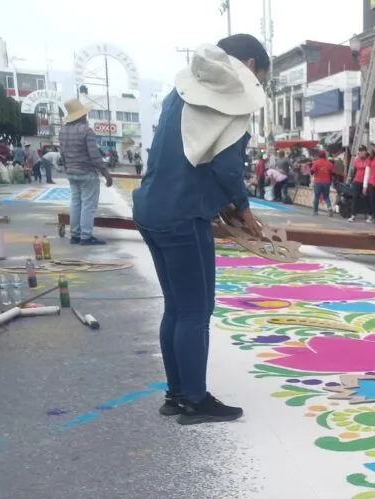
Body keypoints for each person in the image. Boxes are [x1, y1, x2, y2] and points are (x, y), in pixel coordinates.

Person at [132, 34, 268, 424]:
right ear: (250, 66)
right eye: (260, 76)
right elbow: (226, 168)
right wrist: (244, 210)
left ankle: (176, 394)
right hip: (181, 216)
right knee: (196, 311)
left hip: (152, 209)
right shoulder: (231, 102)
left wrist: (223, 204)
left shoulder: (182, 92)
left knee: (176, 307)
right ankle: (194, 399)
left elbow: (190, 158)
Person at [60, 98, 114, 245]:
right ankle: (86, 236)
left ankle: (75, 235)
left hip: (71, 173)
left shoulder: (63, 131)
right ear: (82, 115)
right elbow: (94, 156)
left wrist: (68, 169)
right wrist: (106, 173)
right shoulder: (86, 131)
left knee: (76, 203)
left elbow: (63, 154)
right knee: (88, 205)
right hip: (87, 173)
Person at [311, 149, 334, 215]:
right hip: (327, 182)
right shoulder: (330, 163)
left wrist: (311, 169)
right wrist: (330, 182)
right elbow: (331, 174)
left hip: (318, 182)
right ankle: (329, 208)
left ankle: (315, 211)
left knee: (316, 197)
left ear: (319, 155)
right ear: (325, 155)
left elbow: (312, 172)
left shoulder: (316, 162)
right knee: (326, 197)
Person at [349, 145, 369, 222]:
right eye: (359, 151)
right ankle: (353, 215)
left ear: (366, 151)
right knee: (355, 198)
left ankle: (370, 215)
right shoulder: (356, 160)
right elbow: (354, 170)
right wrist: (351, 180)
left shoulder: (369, 159)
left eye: (362, 151)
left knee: (367, 198)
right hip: (357, 181)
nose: (361, 152)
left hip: (367, 182)